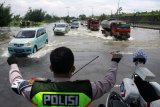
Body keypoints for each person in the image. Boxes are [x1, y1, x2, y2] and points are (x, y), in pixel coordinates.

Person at [7, 46, 123, 107]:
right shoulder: (88, 90)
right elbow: (108, 82)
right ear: (73, 69)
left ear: (51, 68)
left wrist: (13, 64)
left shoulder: (35, 90)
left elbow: (16, 82)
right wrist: (115, 61)